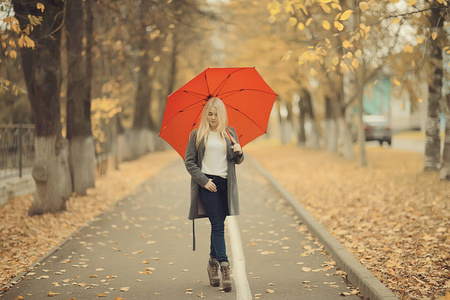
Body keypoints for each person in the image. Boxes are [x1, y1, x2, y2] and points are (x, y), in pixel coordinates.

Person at [184, 97, 244, 292]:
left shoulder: (229, 133)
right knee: (217, 225)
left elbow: (236, 160)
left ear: (222, 114)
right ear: (205, 114)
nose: (212, 117)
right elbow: (190, 162)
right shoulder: (197, 134)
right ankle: (225, 266)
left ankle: (212, 263)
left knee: (218, 224)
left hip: (226, 185)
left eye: (216, 114)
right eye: (209, 114)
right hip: (208, 184)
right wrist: (204, 181)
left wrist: (239, 152)